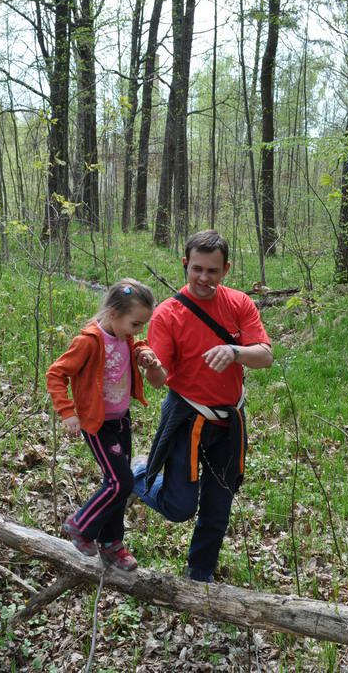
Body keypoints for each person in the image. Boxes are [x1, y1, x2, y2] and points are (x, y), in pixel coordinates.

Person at [133, 229, 273, 583]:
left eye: (212, 271)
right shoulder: (168, 314)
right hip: (186, 415)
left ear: (226, 269)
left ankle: (200, 574)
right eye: (197, 269)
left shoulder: (240, 303)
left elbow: (265, 356)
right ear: (185, 264)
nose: (204, 278)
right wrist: (151, 366)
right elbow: (159, 380)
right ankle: (135, 474)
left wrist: (234, 351)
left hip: (229, 419)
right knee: (180, 507)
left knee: (218, 504)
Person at [46, 279, 167, 571]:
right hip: (98, 424)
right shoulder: (89, 341)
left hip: (121, 420)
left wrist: (143, 351)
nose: (138, 331)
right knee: (121, 481)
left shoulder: (125, 337)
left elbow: (132, 346)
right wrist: (67, 412)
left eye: (142, 325)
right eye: (135, 324)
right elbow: (56, 374)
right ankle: (80, 525)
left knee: (117, 484)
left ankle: (112, 543)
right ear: (113, 314)